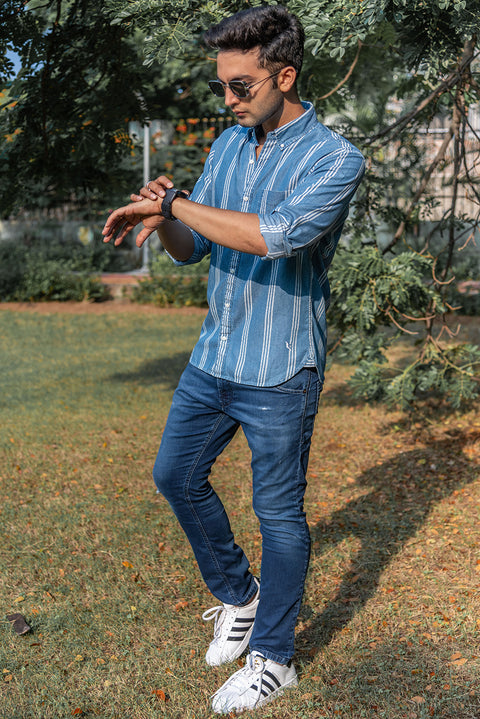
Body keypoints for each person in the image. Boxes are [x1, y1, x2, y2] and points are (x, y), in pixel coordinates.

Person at [102, 5, 365, 713]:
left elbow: (272, 237)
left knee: (278, 514)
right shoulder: (227, 145)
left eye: (241, 86)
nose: (228, 99)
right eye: (223, 84)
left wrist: (180, 203)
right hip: (215, 356)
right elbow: (203, 246)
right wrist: (165, 224)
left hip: (280, 367)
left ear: (285, 76)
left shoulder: (338, 159)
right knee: (174, 474)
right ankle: (238, 596)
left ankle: (275, 658)